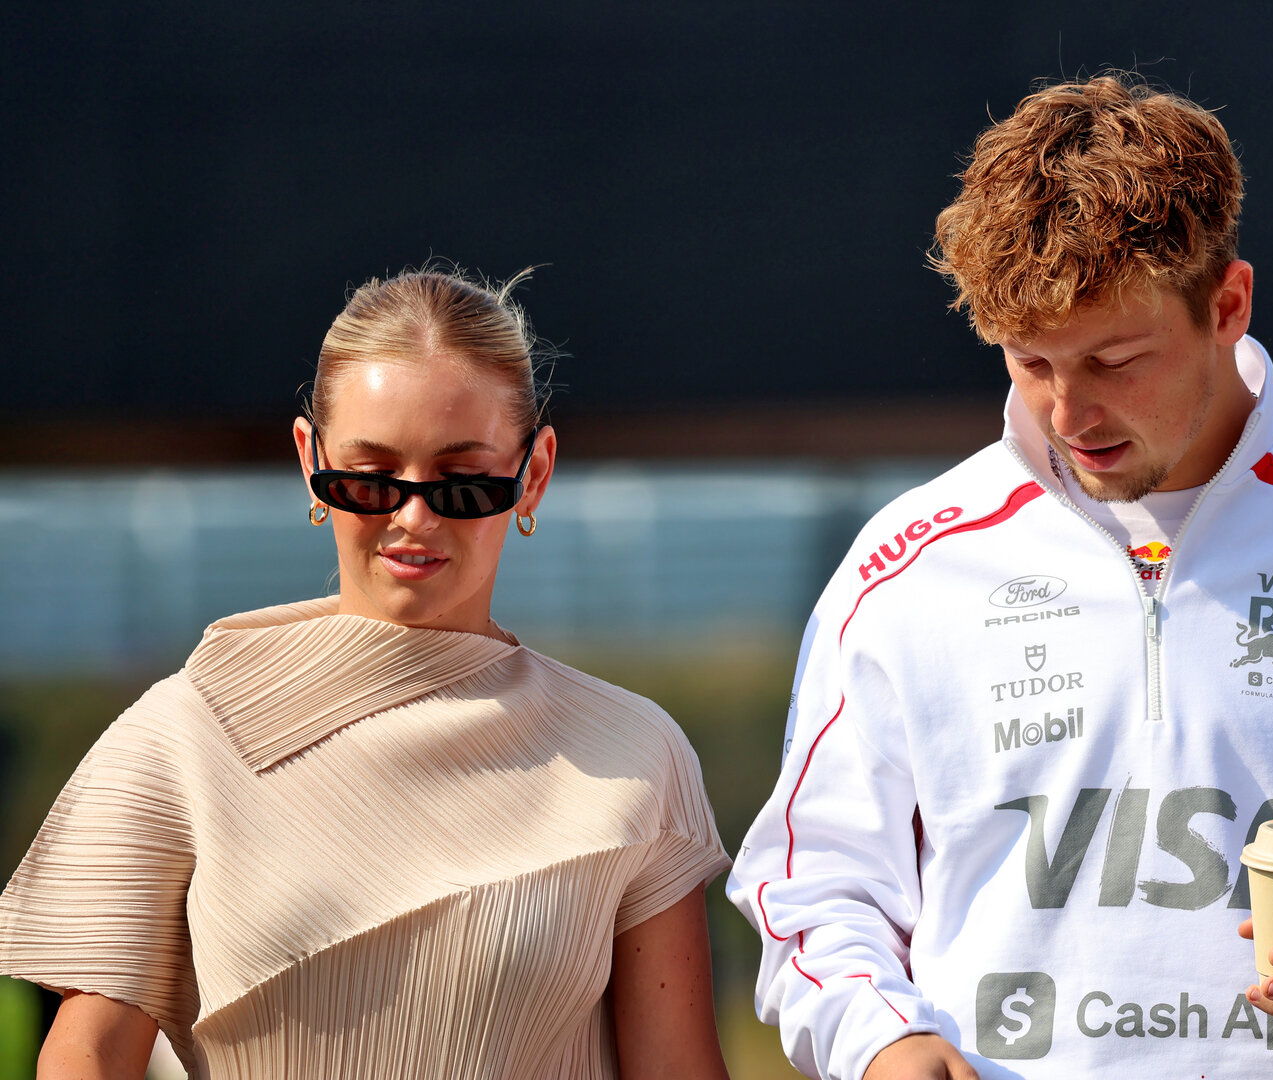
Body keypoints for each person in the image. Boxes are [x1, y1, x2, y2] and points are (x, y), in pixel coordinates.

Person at [726, 75, 1273, 1080]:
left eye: (1115, 359)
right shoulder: (907, 568)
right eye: (1030, 364)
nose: (1069, 415)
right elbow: (812, 888)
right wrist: (881, 1039)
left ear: (1227, 304)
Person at [0, 267, 733, 1079]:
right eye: (369, 478)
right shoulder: (183, 735)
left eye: (462, 483)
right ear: (310, 460)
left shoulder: (634, 753)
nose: (411, 517)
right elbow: (89, 1052)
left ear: (534, 473)